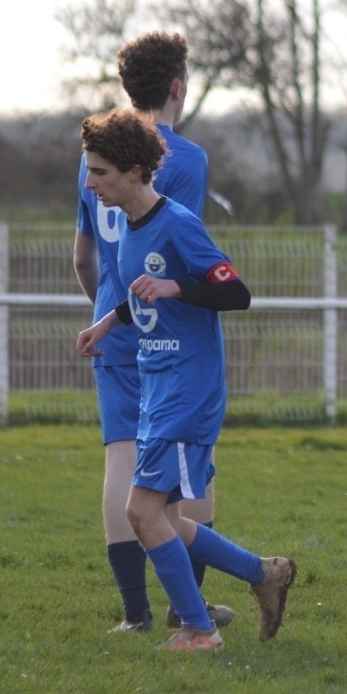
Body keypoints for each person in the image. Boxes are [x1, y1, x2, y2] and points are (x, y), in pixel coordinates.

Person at [74, 108, 295, 652]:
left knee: (140, 511)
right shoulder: (130, 228)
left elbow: (236, 293)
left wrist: (178, 287)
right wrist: (108, 323)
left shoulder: (177, 224)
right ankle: (265, 574)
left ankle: (199, 630)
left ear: (134, 171)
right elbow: (142, 293)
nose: (89, 183)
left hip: (186, 390)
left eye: (99, 171)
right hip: (156, 385)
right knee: (168, 519)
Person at [73, 31, 226, 634]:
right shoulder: (183, 157)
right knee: (190, 471)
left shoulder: (93, 156)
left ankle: (133, 612)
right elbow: (183, 249)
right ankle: (184, 608)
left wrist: (109, 312)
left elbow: (83, 257)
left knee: (123, 461)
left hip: (113, 329)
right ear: (178, 88)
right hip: (169, 332)